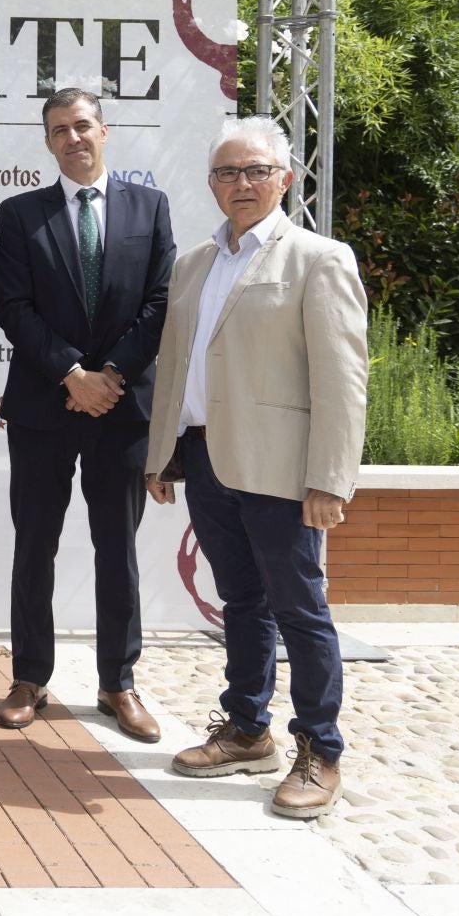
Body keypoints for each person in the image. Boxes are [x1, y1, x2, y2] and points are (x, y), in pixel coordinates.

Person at [144, 115, 367, 819]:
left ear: (285, 178)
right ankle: (247, 728)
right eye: (225, 173)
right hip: (208, 461)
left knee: (301, 612)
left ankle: (320, 750)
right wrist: (162, 456)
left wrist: (330, 477)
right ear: (211, 183)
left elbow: (342, 379)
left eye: (254, 171)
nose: (239, 184)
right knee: (240, 604)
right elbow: (176, 366)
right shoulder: (193, 264)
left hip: (281, 471)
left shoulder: (319, 259)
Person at [0, 88, 174, 742]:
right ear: (47, 142)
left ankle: (117, 682)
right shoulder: (19, 215)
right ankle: (29, 676)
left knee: (116, 549)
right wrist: (72, 373)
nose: (73, 138)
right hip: (45, 404)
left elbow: (160, 303)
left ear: (105, 131)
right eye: (59, 130)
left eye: (83, 125)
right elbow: (12, 307)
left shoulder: (150, 208)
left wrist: (111, 376)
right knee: (33, 543)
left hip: (123, 409)